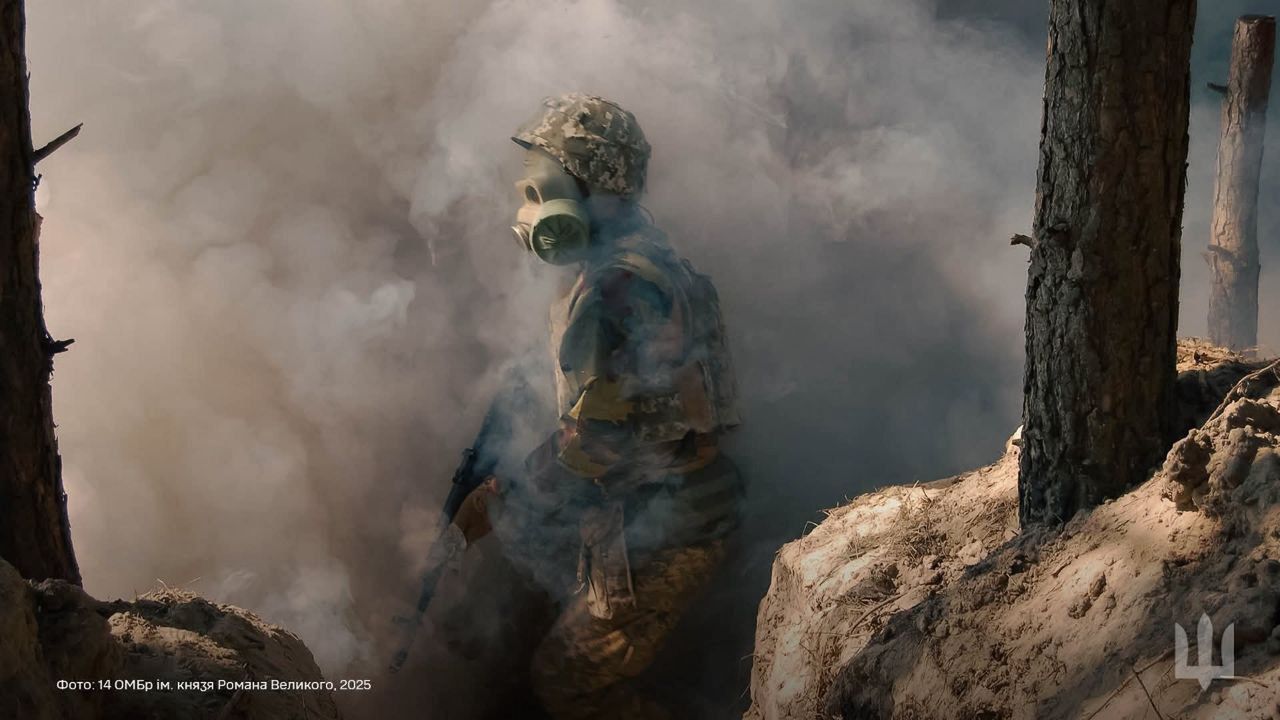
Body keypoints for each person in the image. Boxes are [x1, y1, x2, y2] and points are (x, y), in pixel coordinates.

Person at [453, 93, 743, 720]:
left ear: (583, 185)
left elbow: (598, 443)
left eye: (541, 187)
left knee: (571, 686)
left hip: (671, 525)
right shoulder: (642, 259)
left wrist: (502, 499)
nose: (528, 206)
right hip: (657, 507)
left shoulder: (619, 286)